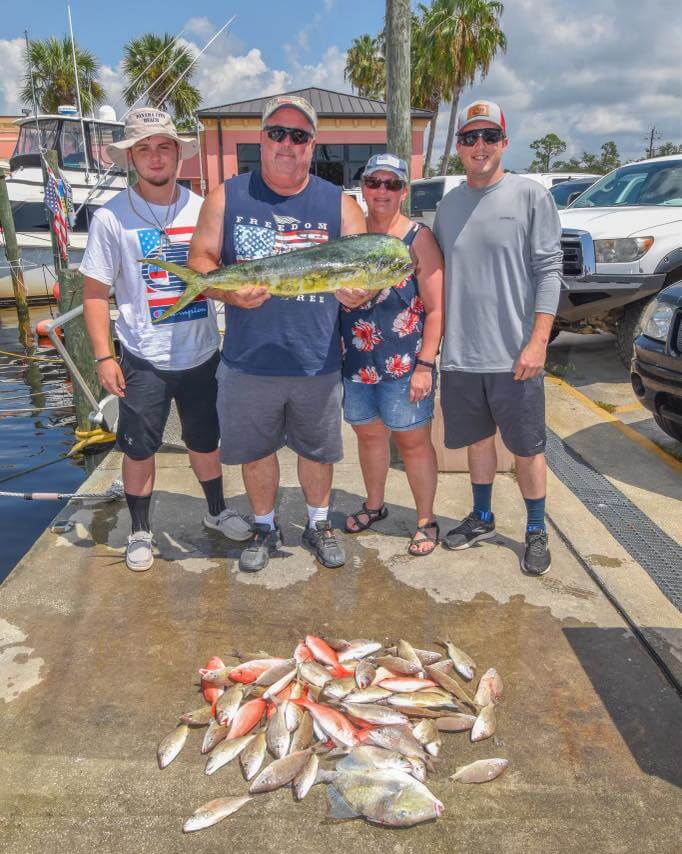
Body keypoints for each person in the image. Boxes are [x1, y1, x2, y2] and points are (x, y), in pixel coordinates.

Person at [188, 94, 367, 573]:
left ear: (312, 145)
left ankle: (318, 522)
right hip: (249, 360)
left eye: (299, 135)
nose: (288, 143)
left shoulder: (341, 204)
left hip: (317, 359)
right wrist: (228, 294)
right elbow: (201, 260)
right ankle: (265, 525)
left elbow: (362, 273)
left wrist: (358, 295)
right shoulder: (227, 195)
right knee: (255, 451)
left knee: (318, 450)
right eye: (277, 133)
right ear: (262, 140)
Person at [81, 108, 251, 573]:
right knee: (138, 448)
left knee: (205, 441)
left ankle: (216, 511)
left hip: (201, 353)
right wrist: (103, 356)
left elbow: (229, 272)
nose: (155, 157)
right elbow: (95, 293)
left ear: (178, 154)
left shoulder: (204, 208)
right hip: (142, 357)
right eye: (144, 148)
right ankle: (139, 530)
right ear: (131, 158)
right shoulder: (111, 218)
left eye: (164, 146)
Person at [433, 100, 563, 576]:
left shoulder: (530, 196)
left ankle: (534, 529)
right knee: (477, 442)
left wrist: (539, 340)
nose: (479, 146)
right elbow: (435, 277)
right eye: (469, 138)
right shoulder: (447, 207)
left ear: (504, 142)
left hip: (516, 355)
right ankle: (482, 516)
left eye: (489, 136)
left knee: (528, 448)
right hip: (463, 356)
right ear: (459, 148)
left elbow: (551, 272)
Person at [341, 154, 444, 556]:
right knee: (368, 438)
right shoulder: (352, 233)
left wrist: (425, 364)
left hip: (405, 364)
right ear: (363, 187)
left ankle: (425, 519)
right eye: (373, 182)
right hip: (357, 362)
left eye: (391, 184)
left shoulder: (418, 238)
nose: (381, 191)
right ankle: (374, 504)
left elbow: (436, 309)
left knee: (414, 442)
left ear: (404, 190)